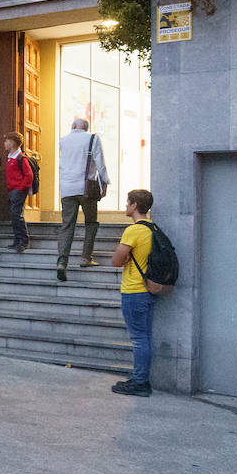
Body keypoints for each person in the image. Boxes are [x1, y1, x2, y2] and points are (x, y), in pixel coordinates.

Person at [111, 190, 157, 398]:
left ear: (135, 205)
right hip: (148, 290)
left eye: (128, 202)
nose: (125, 204)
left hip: (133, 290)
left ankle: (140, 382)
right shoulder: (153, 229)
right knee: (145, 337)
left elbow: (116, 261)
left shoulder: (133, 231)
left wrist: (124, 255)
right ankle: (141, 379)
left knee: (139, 339)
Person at [57, 118, 109, 281]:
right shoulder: (92, 138)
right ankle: (86, 257)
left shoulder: (63, 141)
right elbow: (100, 162)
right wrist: (105, 181)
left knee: (67, 225)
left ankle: (62, 262)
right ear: (85, 128)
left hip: (67, 188)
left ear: (73, 126)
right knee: (91, 222)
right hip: (86, 188)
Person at [3, 132, 34, 254]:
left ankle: (23, 240)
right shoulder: (10, 157)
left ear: (12, 143)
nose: (5, 143)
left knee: (17, 215)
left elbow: (29, 175)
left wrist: (21, 188)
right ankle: (17, 240)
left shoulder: (20, 158)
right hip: (12, 190)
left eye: (7, 141)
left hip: (18, 191)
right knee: (14, 216)